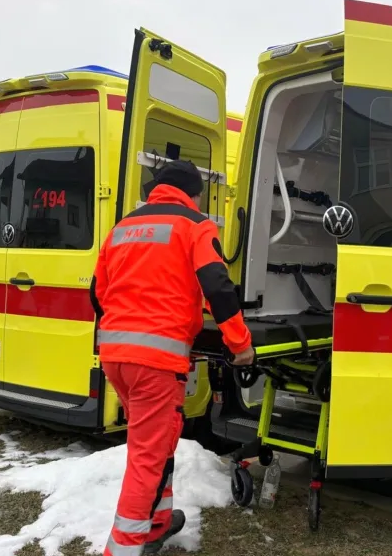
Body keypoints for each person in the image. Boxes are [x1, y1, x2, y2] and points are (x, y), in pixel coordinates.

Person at [90, 160, 255, 556]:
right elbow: (218, 286)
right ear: (194, 193)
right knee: (148, 456)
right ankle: (124, 549)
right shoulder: (195, 225)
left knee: (156, 441)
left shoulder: (123, 227)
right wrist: (241, 345)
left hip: (116, 356)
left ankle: (158, 523)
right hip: (156, 362)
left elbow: (97, 292)